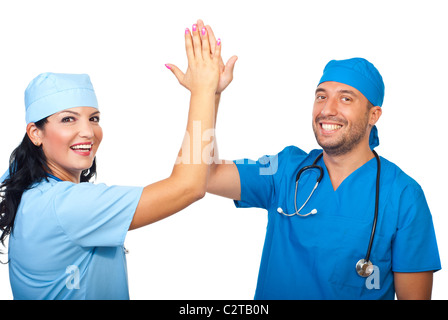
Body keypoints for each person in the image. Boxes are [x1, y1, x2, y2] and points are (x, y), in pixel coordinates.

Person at [0, 20, 231, 299]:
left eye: (94, 118)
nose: (88, 131)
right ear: (35, 133)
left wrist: (212, 95)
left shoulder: (30, 187)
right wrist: (202, 92)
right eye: (68, 119)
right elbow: (188, 187)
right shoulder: (65, 205)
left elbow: (197, 174)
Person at [199, 55, 441, 299]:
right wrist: (208, 95)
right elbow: (205, 173)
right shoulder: (283, 169)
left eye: (345, 98)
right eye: (321, 96)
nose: (327, 109)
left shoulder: (403, 195)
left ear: (373, 115)